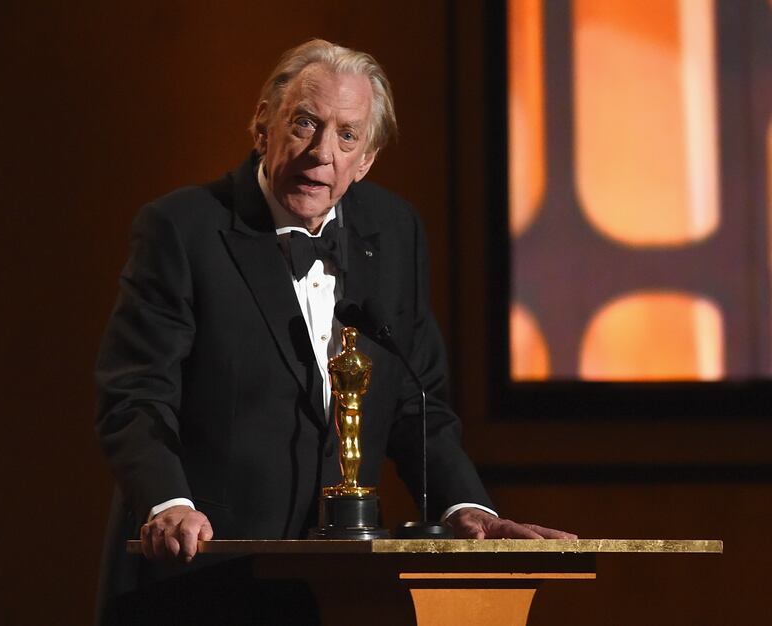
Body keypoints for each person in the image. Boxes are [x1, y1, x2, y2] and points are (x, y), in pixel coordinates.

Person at [95, 38, 574, 611]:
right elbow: (136, 394)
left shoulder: (394, 231)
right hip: (196, 580)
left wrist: (468, 510)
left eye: (347, 135)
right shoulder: (183, 229)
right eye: (304, 123)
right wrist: (166, 504)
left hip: (335, 594)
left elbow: (418, 404)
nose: (322, 152)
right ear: (262, 125)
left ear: (366, 159)